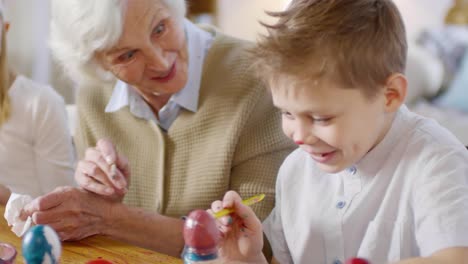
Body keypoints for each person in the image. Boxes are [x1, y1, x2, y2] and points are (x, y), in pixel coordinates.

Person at [20, 0, 294, 257]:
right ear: (97, 63)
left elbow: (257, 240)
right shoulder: (94, 94)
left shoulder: (257, 75)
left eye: (160, 28)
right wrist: (95, 192)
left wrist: (109, 218)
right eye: (127, 55)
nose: (161, 63)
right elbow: (100, 231)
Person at [210, 0, 468, 263]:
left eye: (321, 118)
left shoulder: (438, 161)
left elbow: (455, 259)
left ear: (390, 95)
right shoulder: (295, 171)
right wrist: (249, 258)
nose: (299, 136)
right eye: (286, 113)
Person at [0, 1, 75, 205]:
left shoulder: (41, 104)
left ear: (5, 31)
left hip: (26, 235)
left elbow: (64, 209)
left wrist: (5, 196)